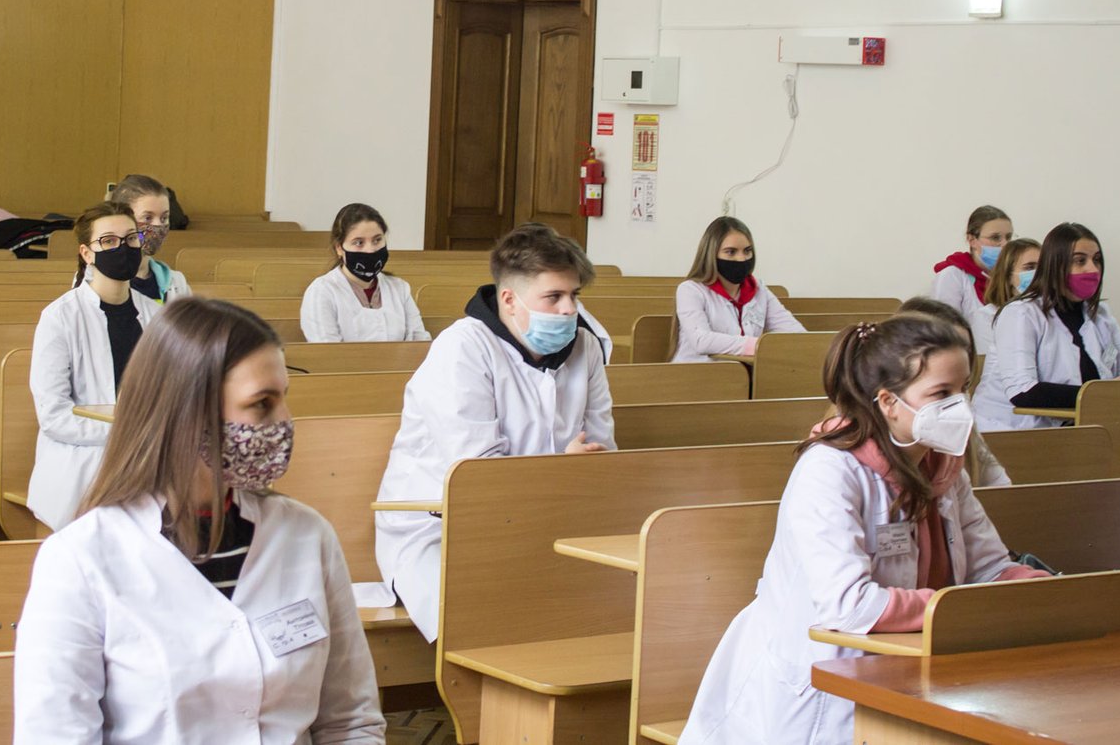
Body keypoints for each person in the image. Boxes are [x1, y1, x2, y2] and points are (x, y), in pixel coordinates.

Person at [13, 298, 384, 743]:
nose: (284, 422)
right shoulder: (80, 559)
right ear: (188, 413)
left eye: (284, 399)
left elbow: (350, 721)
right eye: (261, 404)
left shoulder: (307, 535)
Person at [678, 315, 1049, 744]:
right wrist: (957, 610)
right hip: (823, 685)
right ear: (888, 402)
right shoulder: (829, 470)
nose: (960, 407)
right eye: (942, 394)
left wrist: (1040, 589)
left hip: (914, 669)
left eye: (964, 390)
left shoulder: (945, 468)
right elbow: (849, 605)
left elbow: (990, 567)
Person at [374, 222, 615, 641]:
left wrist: (573, 475)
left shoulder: (586, 348)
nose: (569, 309)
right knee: (481, 621)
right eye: (554, 297)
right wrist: (564, 471)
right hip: (441, 528)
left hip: (548, 516)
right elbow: (480, 476)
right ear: (509, 299)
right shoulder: (462, 348)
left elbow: (602, 449)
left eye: (574, 295)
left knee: (608, 606)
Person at [27, 201, 164, 531]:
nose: (123, 247)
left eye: (130, 238)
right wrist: (124, 433)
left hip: (149, 461)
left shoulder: (157, 316)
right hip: (82, 465)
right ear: (87, 253)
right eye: (109, 241)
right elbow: (53, 415)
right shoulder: (60, 318)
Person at [974, 222, 1120, 432]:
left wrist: (1114, 393)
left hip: (1079, 426)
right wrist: (1104, 394)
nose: (1092, 269)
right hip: (1012, 429)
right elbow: (1023, 391)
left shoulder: (1101, 314)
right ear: (1054, 265)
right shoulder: (1020, 314)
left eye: (1096, 260)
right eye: (1080, 261)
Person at [895, 296, 1010, 487]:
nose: (959, 355)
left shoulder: (960, 413)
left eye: (965, 348)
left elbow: (998, 485)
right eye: (941, 393)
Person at [672, 216, 803, 363]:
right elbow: (701, 340)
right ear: (711, 255)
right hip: (694, 374)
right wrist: (759, 345)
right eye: (731, 252)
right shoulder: (690, 290)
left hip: (742, 375)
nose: (741, 259)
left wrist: (805, 344)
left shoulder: (759, 290)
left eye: (747, 251)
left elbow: (794, 332)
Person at [299, 203, 428, 343]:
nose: (370, 250)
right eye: (359, 243)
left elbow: (419, 341)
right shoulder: (322, 291)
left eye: (377, 240)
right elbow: (325, 350)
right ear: (339, 248)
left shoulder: (399, 288)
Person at [928, 204, 1013, 349]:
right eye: (995, 237)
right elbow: (943, 331)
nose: (1005, 244)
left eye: (1008, 237)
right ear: (972, 240)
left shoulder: (1012, 277)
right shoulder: (952, 276)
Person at [108, 173, 192, 304]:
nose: (158, 225)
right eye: (148, 218)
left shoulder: (177, 282)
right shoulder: (96, 281)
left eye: (164, 218)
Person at [973, 237, 1041, 354]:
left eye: (1042, 267)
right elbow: (986, 360)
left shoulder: (1052, 311)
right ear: (1008, 275)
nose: (1038, 274)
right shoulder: (987, 316)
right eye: (1029, 267)